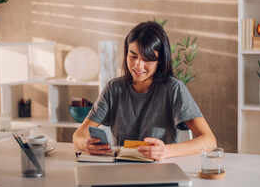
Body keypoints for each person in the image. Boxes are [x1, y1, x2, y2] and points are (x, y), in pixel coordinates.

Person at [73, 21, 216, 161]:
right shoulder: (114, 88)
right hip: (121, 168)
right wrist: (85, 144)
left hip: (160, 168)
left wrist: (166, 151)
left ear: (160, 59)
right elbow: (79, 134)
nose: (137, 65)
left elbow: (209, 141)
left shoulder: (173, 89)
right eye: (133, 56)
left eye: (147, 59)